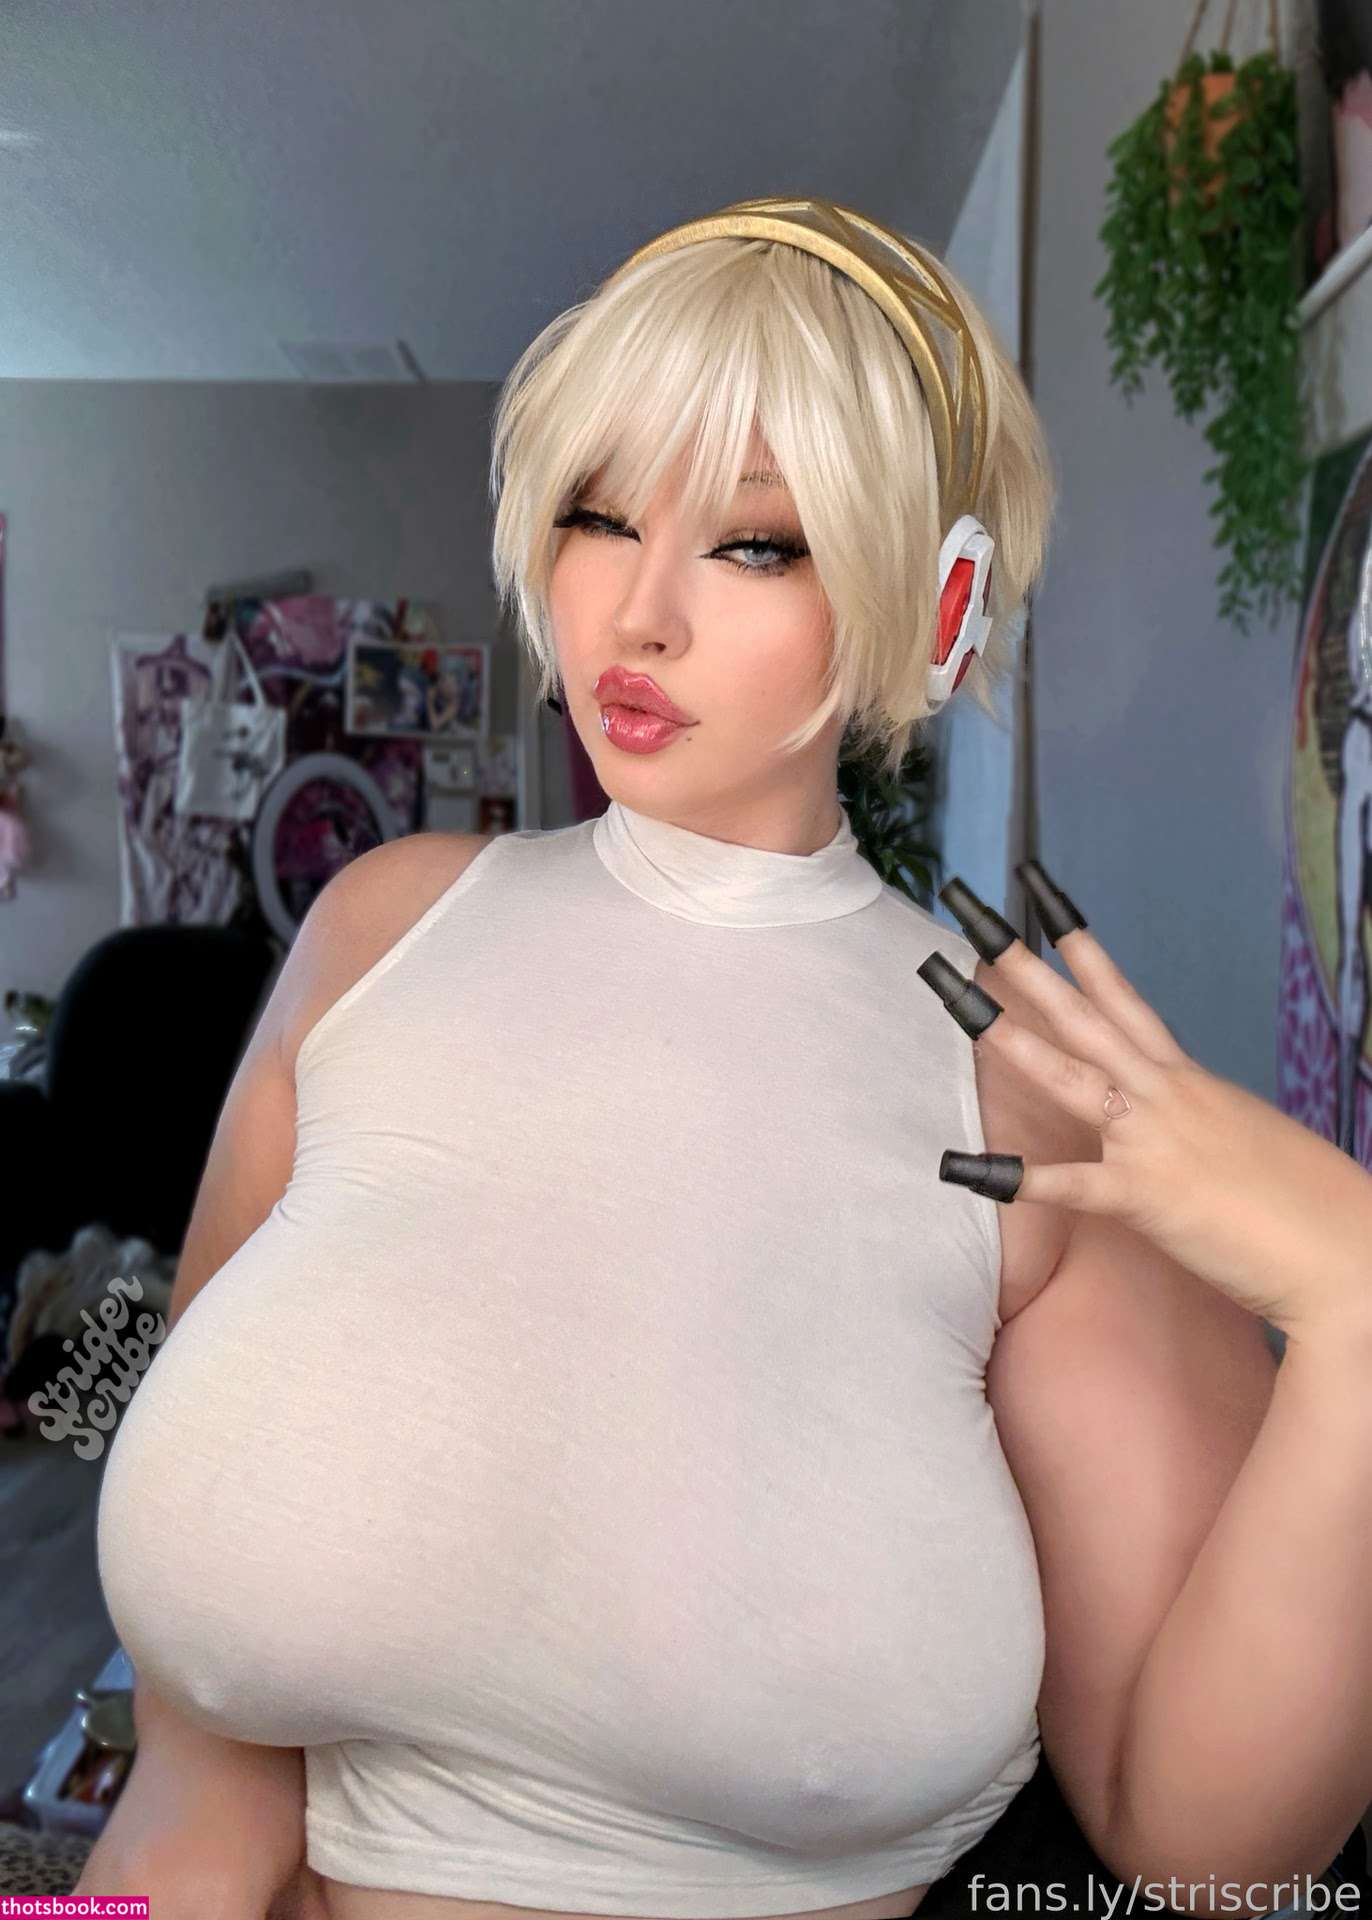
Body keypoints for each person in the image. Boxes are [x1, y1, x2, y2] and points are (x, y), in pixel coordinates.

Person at [79, 197, 1372, 1920]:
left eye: (757, 544)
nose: (636, 613)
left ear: (938, 603)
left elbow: (1212, 1852)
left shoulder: (1019, 1096)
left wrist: (1356, 1295)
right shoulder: (378, 933)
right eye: (597, 515)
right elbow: (197, 1746)